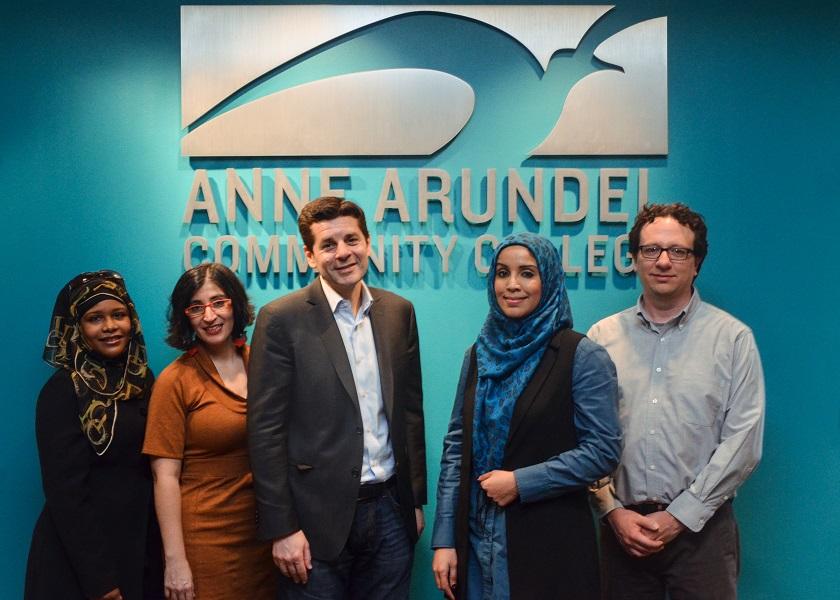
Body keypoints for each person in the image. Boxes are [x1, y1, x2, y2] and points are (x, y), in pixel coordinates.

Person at [247, 196, 427, 600]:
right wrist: (281, 528)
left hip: (390, 514)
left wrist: (414, 502)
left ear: (368, 243)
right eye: (328, 245)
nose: (343, 253)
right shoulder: (281, 319)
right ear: (310, 256)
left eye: (352, 240)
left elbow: (410, 415)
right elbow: (265, 432)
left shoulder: (399, 312)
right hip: (312, 522)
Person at [588, 203, 765, 599]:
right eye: (651, 250)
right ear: (634, 259)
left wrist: (681, 516)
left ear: (696, 262)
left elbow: (743, 443)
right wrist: (611, 511)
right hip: (623, 532)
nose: (663, 261)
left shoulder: (733, 340)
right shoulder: (601, 338)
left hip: (704, 533)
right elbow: (586, 434)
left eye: (678, 251)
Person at [431, 232, 622, 600]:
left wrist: (522, 482)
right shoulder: (479, 354)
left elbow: (603, 451)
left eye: (527, 273)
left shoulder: (580, 356)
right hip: (474, 539)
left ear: (547, 280)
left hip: (548, 544)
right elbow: (456, 449)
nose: (512, 285)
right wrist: (444, 540)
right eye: (502, 273)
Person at [142, 263, 275, 600]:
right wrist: (175, 561)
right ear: (185, 317)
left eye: (219, 302)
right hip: (206, 540)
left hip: (264, 537)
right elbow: (165, 478)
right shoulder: (175, 381)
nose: (209, 316)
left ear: (236, 304)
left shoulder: (262, 362)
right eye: (196, 307)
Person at [25, 270, 160, 600]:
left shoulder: (143, 381)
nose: (110, 326)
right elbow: (65, 493)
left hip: (136, 547)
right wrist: (101, 580)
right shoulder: (63, 390)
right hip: (82, 565)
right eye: (94, 318)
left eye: (119, 315)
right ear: (77, 329)